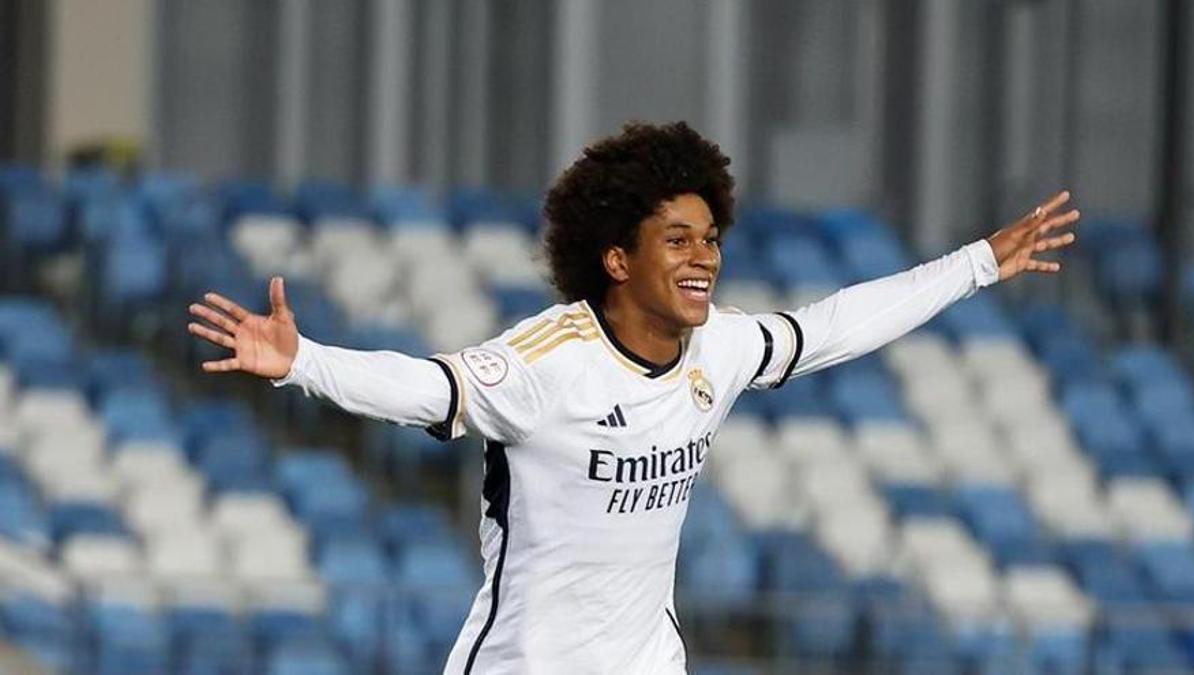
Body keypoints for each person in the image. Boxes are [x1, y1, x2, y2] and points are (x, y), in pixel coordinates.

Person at [187, 121, 1079, 674]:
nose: (705, 256)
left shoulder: (720, 349)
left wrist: (977, 265)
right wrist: (303, 359)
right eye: (677, 238)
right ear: (618, 258)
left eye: (711, 237)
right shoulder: (551, 361)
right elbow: (429, 386)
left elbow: (837, 324)